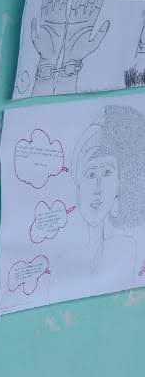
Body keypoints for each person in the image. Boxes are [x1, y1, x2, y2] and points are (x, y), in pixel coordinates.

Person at [57, 105, 145, 292]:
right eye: (90, 174)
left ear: (119, 185)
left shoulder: (128, 249)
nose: (98, 187)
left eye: (107, 173)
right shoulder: (63, 263)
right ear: (79, 188)